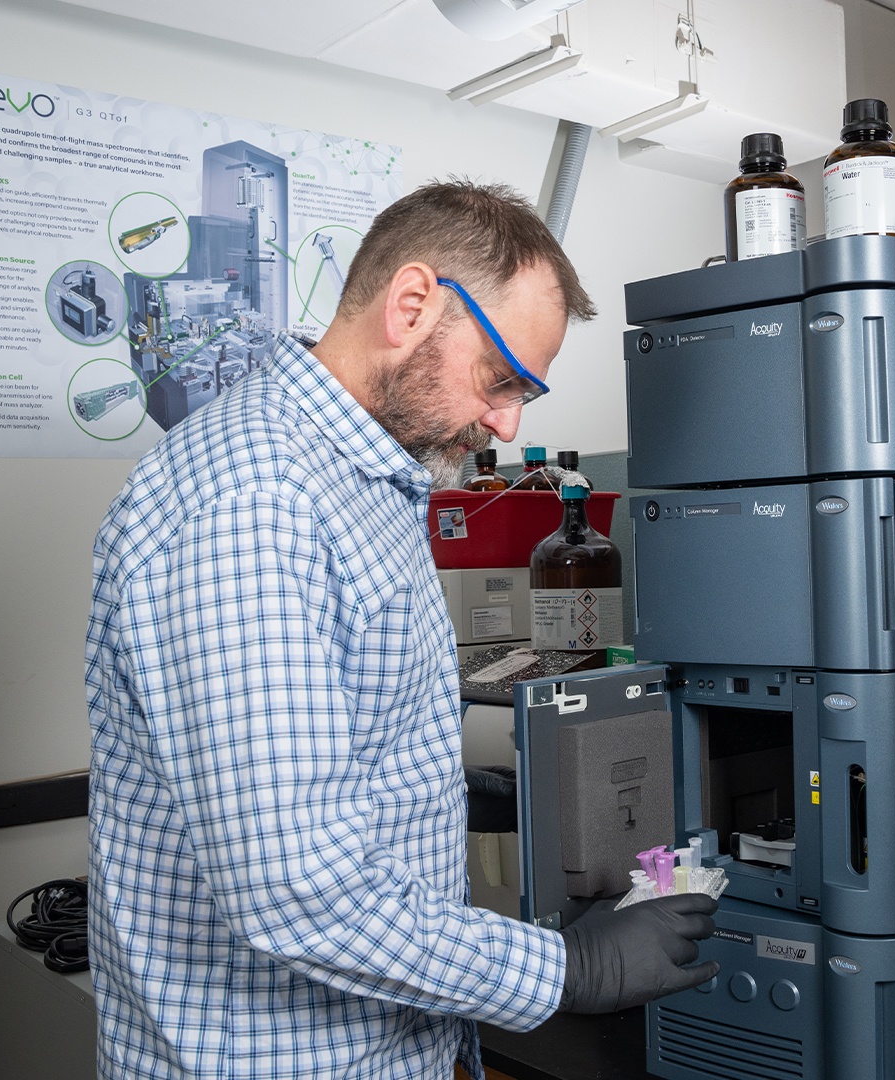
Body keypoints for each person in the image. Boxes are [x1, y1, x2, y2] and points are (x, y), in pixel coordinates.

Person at [84, 180, 719, 1080]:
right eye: (502, 380)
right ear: (413, 304)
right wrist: (571, 969)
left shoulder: (364, 480)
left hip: (390, 1042)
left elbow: (327, 757)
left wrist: (449, 796)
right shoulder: (255, 500)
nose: (507, 421)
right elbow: (298, 892)